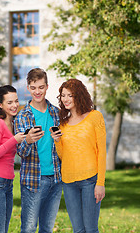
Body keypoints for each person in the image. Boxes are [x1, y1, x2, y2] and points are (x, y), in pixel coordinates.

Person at [51, 79, 106, 233]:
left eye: (70, 95)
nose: (66, 99)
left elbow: (101, 152)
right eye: (63, 95)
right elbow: (63, 155)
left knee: (90, 229)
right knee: (78, 230)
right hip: (68, 182)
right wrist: (57, 141)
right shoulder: (63, 123)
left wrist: (100, 183)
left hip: (90, 180)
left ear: (79, 96)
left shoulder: (95, 117)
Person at [14, 68, 62, 233]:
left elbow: (64, 146)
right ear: (28, 88)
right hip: (33, 179)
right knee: (28, 228)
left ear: (47, 87)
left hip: (56, 178)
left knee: (47, 228)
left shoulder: (57, 113)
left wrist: (60, 139)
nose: (37, 91)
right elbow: (21, 152)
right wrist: (27, 140)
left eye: (41, 87)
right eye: (33, 88)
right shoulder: (22, 116)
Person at [0, 85, 26, 233]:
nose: (14, 105)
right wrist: (14, 140)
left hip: (7, 183)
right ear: (0, 104)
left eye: (16, 101)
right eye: (9, 102)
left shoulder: (14, 123)